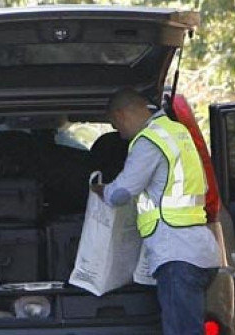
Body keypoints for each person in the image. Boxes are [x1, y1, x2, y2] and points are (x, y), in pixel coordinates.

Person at [95, 88, 220, 335]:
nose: (119, 134)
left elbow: (121, 193)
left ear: (121, 115)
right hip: (201, 251)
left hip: (176, 255)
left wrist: (100, 190)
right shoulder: (178, 133)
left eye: (115, 125)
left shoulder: (148, 141)